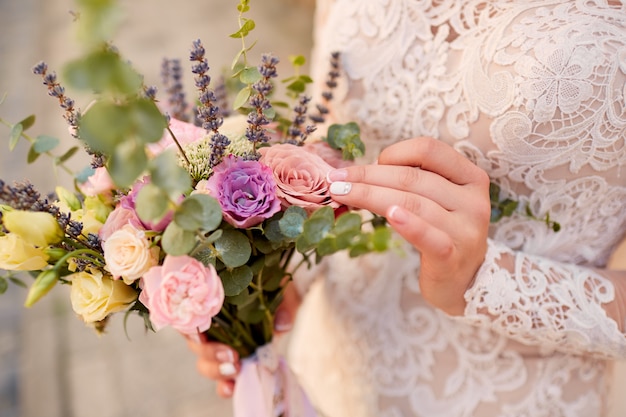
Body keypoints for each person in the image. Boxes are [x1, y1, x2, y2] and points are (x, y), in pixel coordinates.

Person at [185, 0, 626, 415]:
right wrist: (273, 277)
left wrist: (488, 284)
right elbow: (334, 132)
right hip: (328, 370)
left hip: (511, 394)